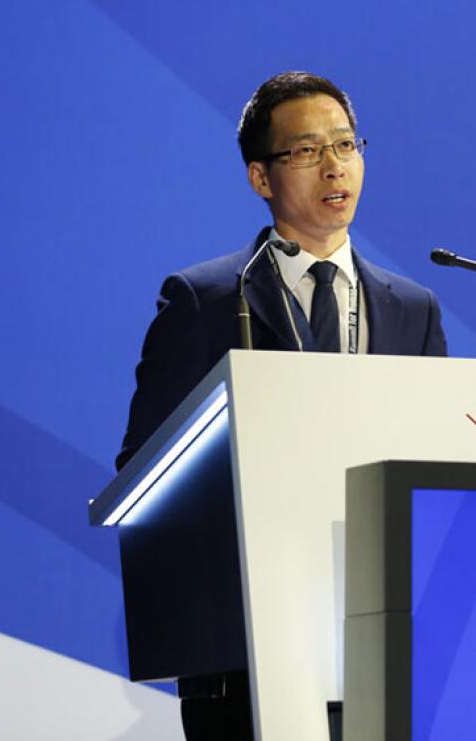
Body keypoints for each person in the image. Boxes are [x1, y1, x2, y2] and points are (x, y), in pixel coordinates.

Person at [116, 71, 447, 739]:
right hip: (250, 653)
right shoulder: (207, 300)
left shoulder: (412, 310)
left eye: (346, 145)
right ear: (261, 179)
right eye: (305, 151)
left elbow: (438, 463)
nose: (333, 166)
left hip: (382, 645)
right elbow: (144, 470)